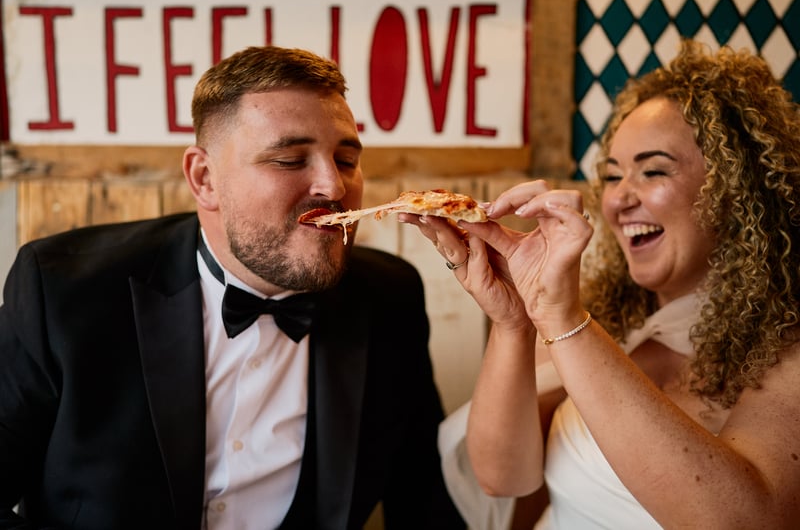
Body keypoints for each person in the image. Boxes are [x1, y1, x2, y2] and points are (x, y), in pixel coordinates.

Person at [0, 45, 464, 529]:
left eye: (346, 159)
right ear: (205, 179)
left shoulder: (390, 295)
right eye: (289, 159)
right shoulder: (62, 288)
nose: (333, 186)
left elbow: (425, 504)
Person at [402, 39, 800, 528]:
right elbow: (503, 478)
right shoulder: (600, 315)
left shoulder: (786, 350)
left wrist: (562, 319)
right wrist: (514, 322)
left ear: (738, 189)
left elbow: (746, 521)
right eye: (612, 177)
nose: (619, 200)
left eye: (653, 171)